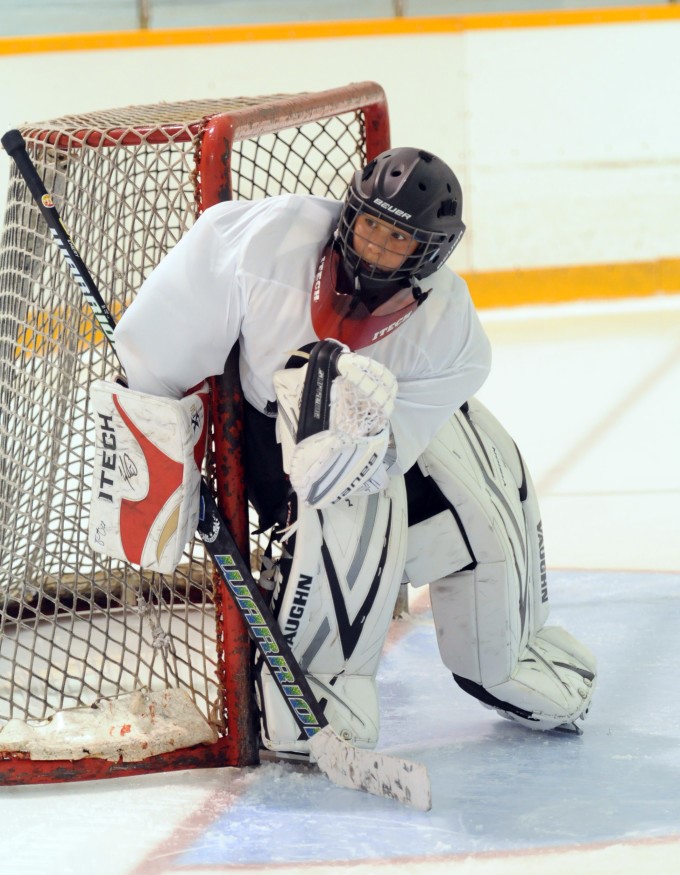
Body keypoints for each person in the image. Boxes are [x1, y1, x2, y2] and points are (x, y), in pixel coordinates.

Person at [110, 147, 597, 758]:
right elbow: (154, 358)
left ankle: (513, 649)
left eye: (398, 237)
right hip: (266, 440)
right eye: (369, 223)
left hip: (374, 443)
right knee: (337, 438)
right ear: (349, 212)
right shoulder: (263, 243)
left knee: (476, 460)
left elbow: (400, 443)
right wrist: (169, 456)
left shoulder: (450, 329)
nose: (375, 245)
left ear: (432, 252)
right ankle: (321, 683)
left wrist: (356, 448)